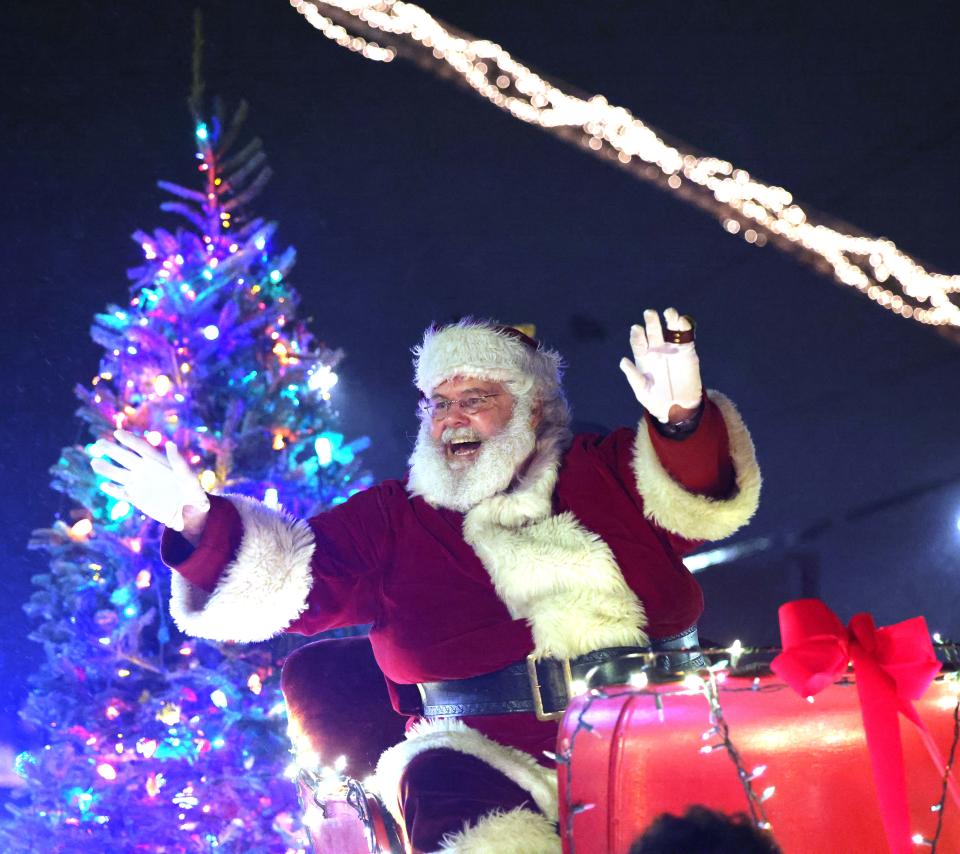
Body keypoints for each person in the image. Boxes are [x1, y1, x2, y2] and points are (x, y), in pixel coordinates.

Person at [91, 309, 761, 853]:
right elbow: (292, 579)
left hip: (656, 726)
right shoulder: (393, 519)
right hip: (484, 759)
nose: (451, 419)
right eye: (437, 403)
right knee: (455, 805)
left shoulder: (607, 469)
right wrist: (196, 522)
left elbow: (696, 493)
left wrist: (682, 421)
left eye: (476, 399)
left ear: (531, 410)